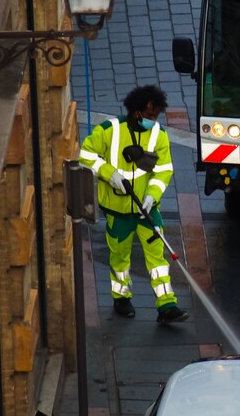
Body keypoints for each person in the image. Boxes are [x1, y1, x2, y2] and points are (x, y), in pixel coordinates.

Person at [78, 85, 189, 324]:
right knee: (119, 257)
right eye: (149, 115)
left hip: (147, 209)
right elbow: (85, 155)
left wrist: (151, 197)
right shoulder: (109, 131)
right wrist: (110, 174)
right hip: (118, 210)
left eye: (156, 116)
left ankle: (167, 304)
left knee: (158, 258)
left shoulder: (158, 134)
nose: (153, 120)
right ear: (136, 111)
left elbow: (163, 171)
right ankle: (121, 297)